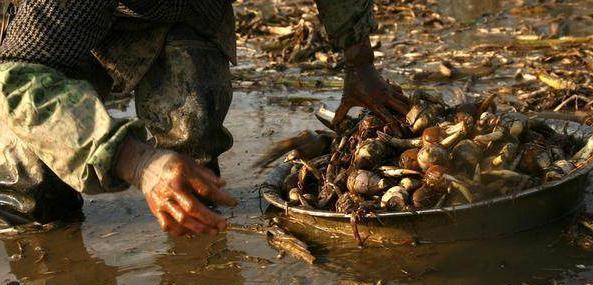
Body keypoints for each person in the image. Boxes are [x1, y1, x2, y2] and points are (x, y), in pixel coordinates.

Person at [0, 0, 409, 236]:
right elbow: (17, 80)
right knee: (34, 196)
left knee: (191, 171)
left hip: (185, 9)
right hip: (48, 40)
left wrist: (360, 61)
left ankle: (200, 270)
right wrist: (136, 161)